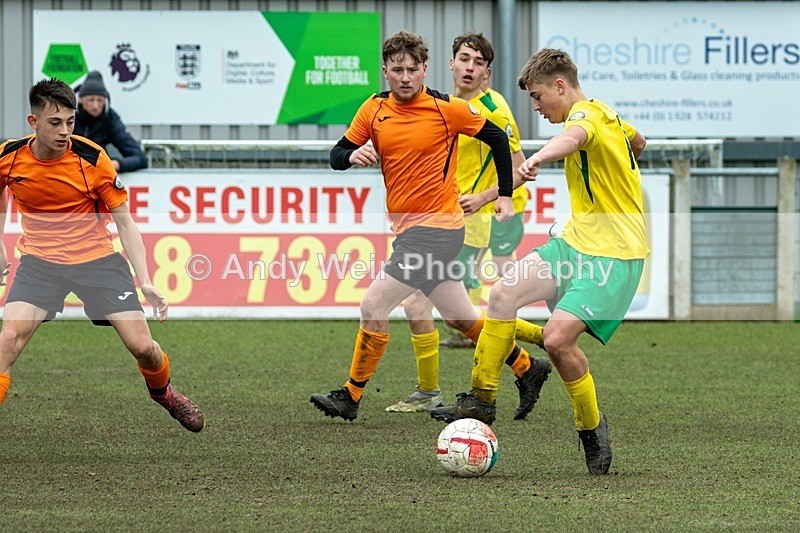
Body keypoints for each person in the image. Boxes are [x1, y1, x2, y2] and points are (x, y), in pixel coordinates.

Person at [430, 48, 648, 476]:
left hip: (616, 255)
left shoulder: (585, 118)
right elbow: (639, 143)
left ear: (560, 86)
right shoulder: (610, 115)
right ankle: (481, 399)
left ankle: (591, 428)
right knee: (504, 293)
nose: (535, 106)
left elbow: (573, 139)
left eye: (537, 96)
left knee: (557, 340)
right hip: (575, 242)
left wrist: (537, 159)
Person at [310, 31, 536, 423]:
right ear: (385, 71)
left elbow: (499, 139)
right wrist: (352, 154)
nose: (405, 77)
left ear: (425, 70)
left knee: (373, 304)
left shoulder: (446, 108)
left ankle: (350, 395)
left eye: (412, 70)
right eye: (397, 70)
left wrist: (501, 195)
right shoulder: (374, 109)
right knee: (461, 317)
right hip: (411, 230)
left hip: (438, 229)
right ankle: (528, 368)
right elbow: (336, 154)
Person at [0, 78, 203, 432]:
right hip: (40, 264)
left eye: (70, 121)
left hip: (98, 263)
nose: (65, 131)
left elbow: (125, 223)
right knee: (8, 340)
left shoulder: (92, 158)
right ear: (33, 123)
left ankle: (165, 393)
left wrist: (147, 282)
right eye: (55, 122)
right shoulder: (8, 156)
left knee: (143, 348)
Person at [386, 33, 551, 418]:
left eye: (477, 61)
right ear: (451, 64)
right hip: (440, 220)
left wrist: (486, 197)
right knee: (460, 314)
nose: (469, 67)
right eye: (463, 59)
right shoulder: (442, 103)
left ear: (487, 71)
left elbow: (521, 166)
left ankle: (429, 390)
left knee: (419, 303)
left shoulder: (495, 108)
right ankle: (537, 349)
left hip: (470, 223)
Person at [74, 70, 147, 173]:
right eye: (91, 100)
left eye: (100, 100)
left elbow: (140, 158)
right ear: (80, 99)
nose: (95, 106)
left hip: (98, 173)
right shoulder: (68, 115)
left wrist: (115, 165)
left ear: (105, 100)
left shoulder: (110, 118)